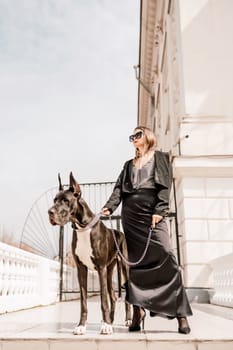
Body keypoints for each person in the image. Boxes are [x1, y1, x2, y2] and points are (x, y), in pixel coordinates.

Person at [101, 126, 192, 334]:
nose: (134, 138)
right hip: (131, 217)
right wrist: (110, 206)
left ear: (148, 136)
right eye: (132, 136)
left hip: (152, 214)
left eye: (138, 134)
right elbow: (118, 190)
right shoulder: (128, 165)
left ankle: (181, 314)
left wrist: (160, 209)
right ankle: (137, 311)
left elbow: (165, 186)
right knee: (136, 264)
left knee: (167, 256)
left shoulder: (160, 157)